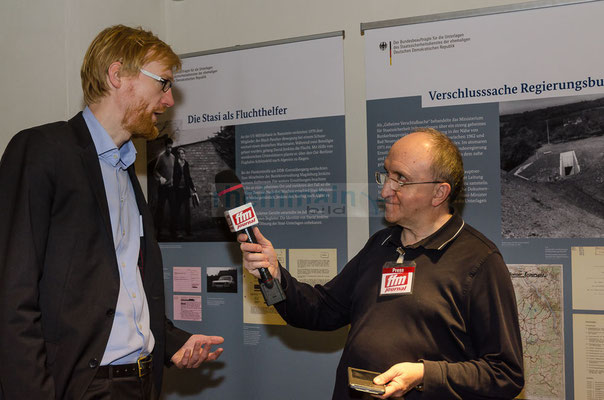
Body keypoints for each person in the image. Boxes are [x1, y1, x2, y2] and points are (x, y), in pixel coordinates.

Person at [0, 25, 224, 399]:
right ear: (117, 75)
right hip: (79, 386)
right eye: (163, 83)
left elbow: (117, 290)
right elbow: (12, 297)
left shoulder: (126, 174)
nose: (169, 101)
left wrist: (170, 341)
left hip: (140, 382)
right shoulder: (42, 151)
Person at [239, 129, 524, 399]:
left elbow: (505, 374)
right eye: (386, 174)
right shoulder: (381, 244)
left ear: (439, 193)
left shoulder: (480, 260)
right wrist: (275, 275)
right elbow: (321, 311)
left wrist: (425, 374)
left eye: (400, 179)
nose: (385, 189)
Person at [153, 137, 176, 238]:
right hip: (162, 188)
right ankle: (159, 231)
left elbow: (174, 171)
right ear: (165, 147)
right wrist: (160, 178)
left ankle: (173, 231)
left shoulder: (173, 157)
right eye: (168, 147)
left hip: (171, 187)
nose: (169, 149)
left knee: (173, 209)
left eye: (171, 147)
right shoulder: (161, 157)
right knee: (160, 209)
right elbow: (155, 170)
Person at [172, 147, 196, 238]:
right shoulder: (174, 164)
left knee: (187, 212)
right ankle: (174, 232)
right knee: (176, 212)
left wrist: (193, 187)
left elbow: (188, 177)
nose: (183, 155)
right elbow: (172, 177)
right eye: (181, 154)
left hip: (185, 191)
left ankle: (188, 231)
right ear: (178, 155)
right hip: (177, 191)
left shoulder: (186, 164)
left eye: (184, 154)